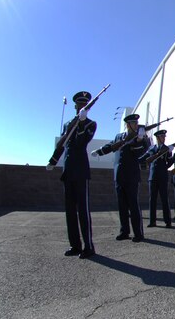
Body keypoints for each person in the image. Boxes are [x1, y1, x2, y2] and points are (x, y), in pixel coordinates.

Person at [50, 91, 97, 259]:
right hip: (68, 171)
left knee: (83, 211)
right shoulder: (69, 123)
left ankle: (89, 246)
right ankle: (75, 245)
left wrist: (81, 124)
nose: (81, 107)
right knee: (70, 211)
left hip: (81, 171)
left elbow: (80, 143)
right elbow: (65, 145)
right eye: (79, 104)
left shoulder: (91, 124)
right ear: (75, 106)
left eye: (85, 104)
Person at [92, 114, 150, 243]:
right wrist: (100, 151)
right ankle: (124, 231)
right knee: (122, 206)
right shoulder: (119, 137)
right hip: (119, 175)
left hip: (132, 176)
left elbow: (141, 152)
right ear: (127, 125)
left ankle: (138, 233)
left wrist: (139, 140)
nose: (135, 125)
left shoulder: (141, 137)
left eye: (136, 123)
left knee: (134, 205)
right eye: (133, 123)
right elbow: (111, 146)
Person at [138, 130, 173, 228]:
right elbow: (145, 158)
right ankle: (152, 221)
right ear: (157, 138)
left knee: (164, 199)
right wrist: (136, 160)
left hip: (162, 176)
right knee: (152, 200)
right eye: (162, 136)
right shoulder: (152, 148)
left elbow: (169, 163)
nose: (164, 138)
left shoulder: (166, 149)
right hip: (152, 177)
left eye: (164, 136)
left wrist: (170, 154)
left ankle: (168, 221)